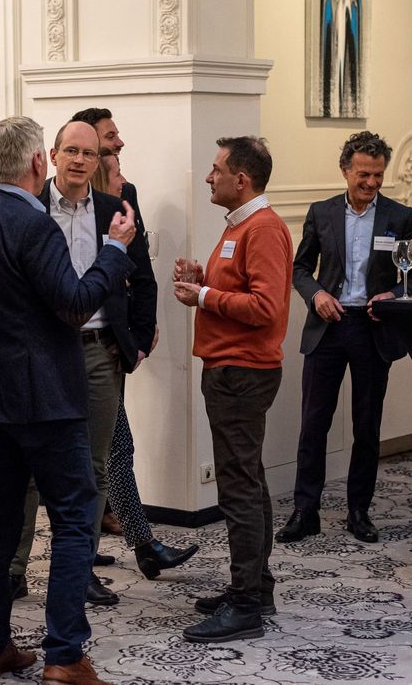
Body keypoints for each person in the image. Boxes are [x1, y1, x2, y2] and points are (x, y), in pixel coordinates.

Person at [0, 115, 136, 685]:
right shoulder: (35, 225)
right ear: (38, 162)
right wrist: (113, 251)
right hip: (46, 400)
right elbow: (74, 304)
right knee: (74, 517)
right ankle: (65, 656)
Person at [6, 120, 159, 607]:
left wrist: (136, 341)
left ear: (98, 162)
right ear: (51, 156)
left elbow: (144, 278)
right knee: (29, 467)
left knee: (92, 467)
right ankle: (13, 570)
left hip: (97, 350)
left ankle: (80, 570)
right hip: (42, 351)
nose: (79, 160)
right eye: (70, 151)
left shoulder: (115, 211)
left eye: (88, 153)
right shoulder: (29, 207)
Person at [173, 136, 292, 643]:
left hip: (242, 373)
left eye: (216, 169)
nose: (209, 176)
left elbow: (265, 307)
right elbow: (241, 288)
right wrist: (204, 280)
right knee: (249, 480)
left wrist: (204, 295)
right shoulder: (240, 225)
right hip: (232, 369)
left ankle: (245, 605)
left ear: (241, 180)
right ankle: (255, 589)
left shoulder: (261, 228)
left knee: (239, 487)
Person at [72, 107, 199, 581]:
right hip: (74, 346)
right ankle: (135, 546)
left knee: (109, 448)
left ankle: (112, 546)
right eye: (110, 138)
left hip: (114, 344)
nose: (119, 143)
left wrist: (140, 332)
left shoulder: (127, 195)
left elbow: (140, 270)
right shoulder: (61, 207)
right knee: (109, 448)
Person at [279, 130, 412, 545]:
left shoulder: (400, 216)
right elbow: (299, 269)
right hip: (329, 326)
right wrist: (317, 295)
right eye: (363, 174)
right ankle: (305, 511)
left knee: (367, 425)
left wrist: (392, 296)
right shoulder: (321, 212)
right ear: (345, 170)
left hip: (372, 329)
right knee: (313, 423)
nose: (371, 183)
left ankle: (359, 510)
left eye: (378, 175)